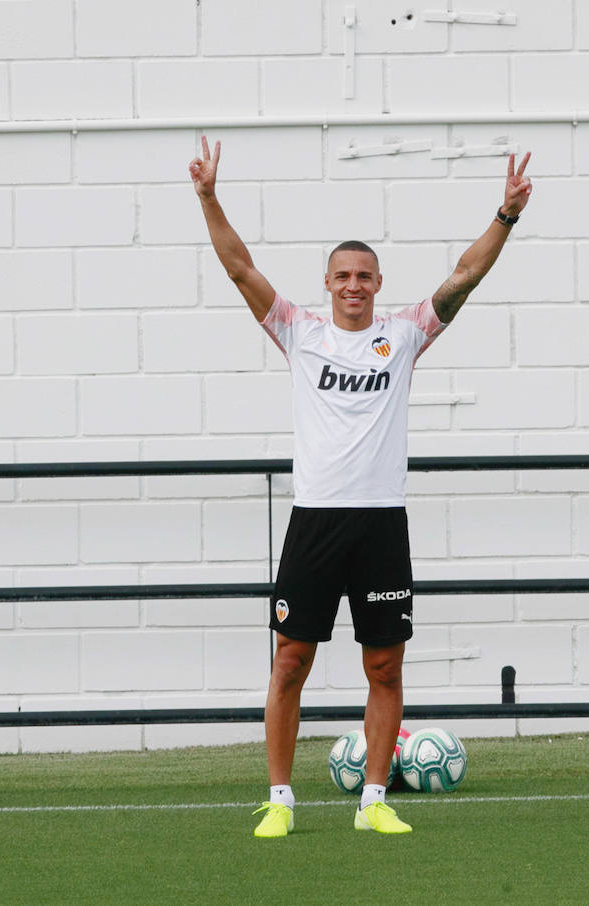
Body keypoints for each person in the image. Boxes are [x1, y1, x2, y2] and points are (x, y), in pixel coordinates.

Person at [188, 136, 532, 837]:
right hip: (314, 521)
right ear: (328, 284)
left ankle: (374, 798)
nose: (353, 285)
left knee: (384, 666)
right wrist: (207, 196)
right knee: (290, 662)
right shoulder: (298, 331)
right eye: (342, 275)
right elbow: (237, 266)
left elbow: (463, 277)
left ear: (378, 285)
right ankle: (280, 802)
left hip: (380, 523)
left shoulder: (405, 335)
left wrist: (505, 215)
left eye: (364, 277)